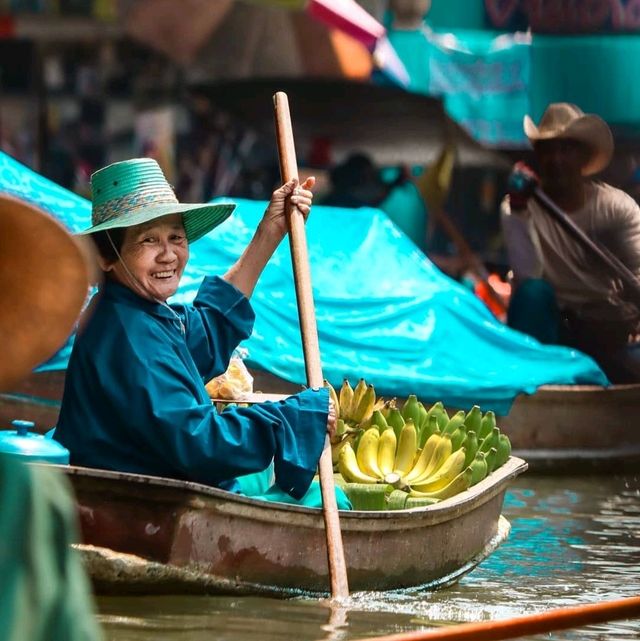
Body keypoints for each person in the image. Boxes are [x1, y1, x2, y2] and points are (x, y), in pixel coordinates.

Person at [54, 157, 350, 509]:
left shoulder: (139, 311)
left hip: (159, 473)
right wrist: (290, 419)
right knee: (328, 498)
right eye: (148, 240)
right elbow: (198, 442)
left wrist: (270, 232)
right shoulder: (130, 335)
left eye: (176, 237)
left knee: (262, 471)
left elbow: (206, 329)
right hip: (150, 506)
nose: (168, 255)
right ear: (107, 257)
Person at [502, 102, 640, 383]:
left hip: (604, 328)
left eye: (566, 149)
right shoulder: (519, 206)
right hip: (550, 327)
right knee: (533, 294)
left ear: (583, 156)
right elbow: (528, 276)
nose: (556, 159)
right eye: (548, 150)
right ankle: (532, 386)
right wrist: (519, 210)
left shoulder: (614, 207)